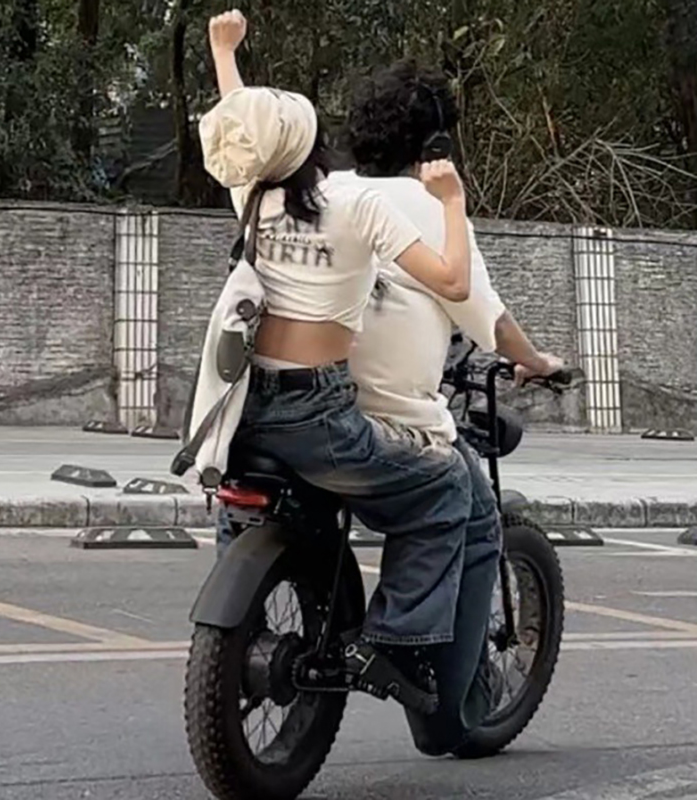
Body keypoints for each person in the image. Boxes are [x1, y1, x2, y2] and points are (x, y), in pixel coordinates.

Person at [201, 9, 478, 714]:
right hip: (318, 416)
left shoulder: (252, 197)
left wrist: (223, 52)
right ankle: (393, 641)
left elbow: (244, 130)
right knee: (446, 485)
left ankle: (245, 627)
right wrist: (451, 201)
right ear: (316, 142)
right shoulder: (356, 204)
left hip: (241, 409)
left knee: (247, 503)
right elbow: (453, 283)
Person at [329, 60, 564, 754]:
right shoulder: (430, 210)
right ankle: (440, 705)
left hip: (305, 408)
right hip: (390, 422)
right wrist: (536, 361)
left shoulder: (325, 190)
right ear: (435, 147)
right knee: (475, 513)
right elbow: (488, 318)